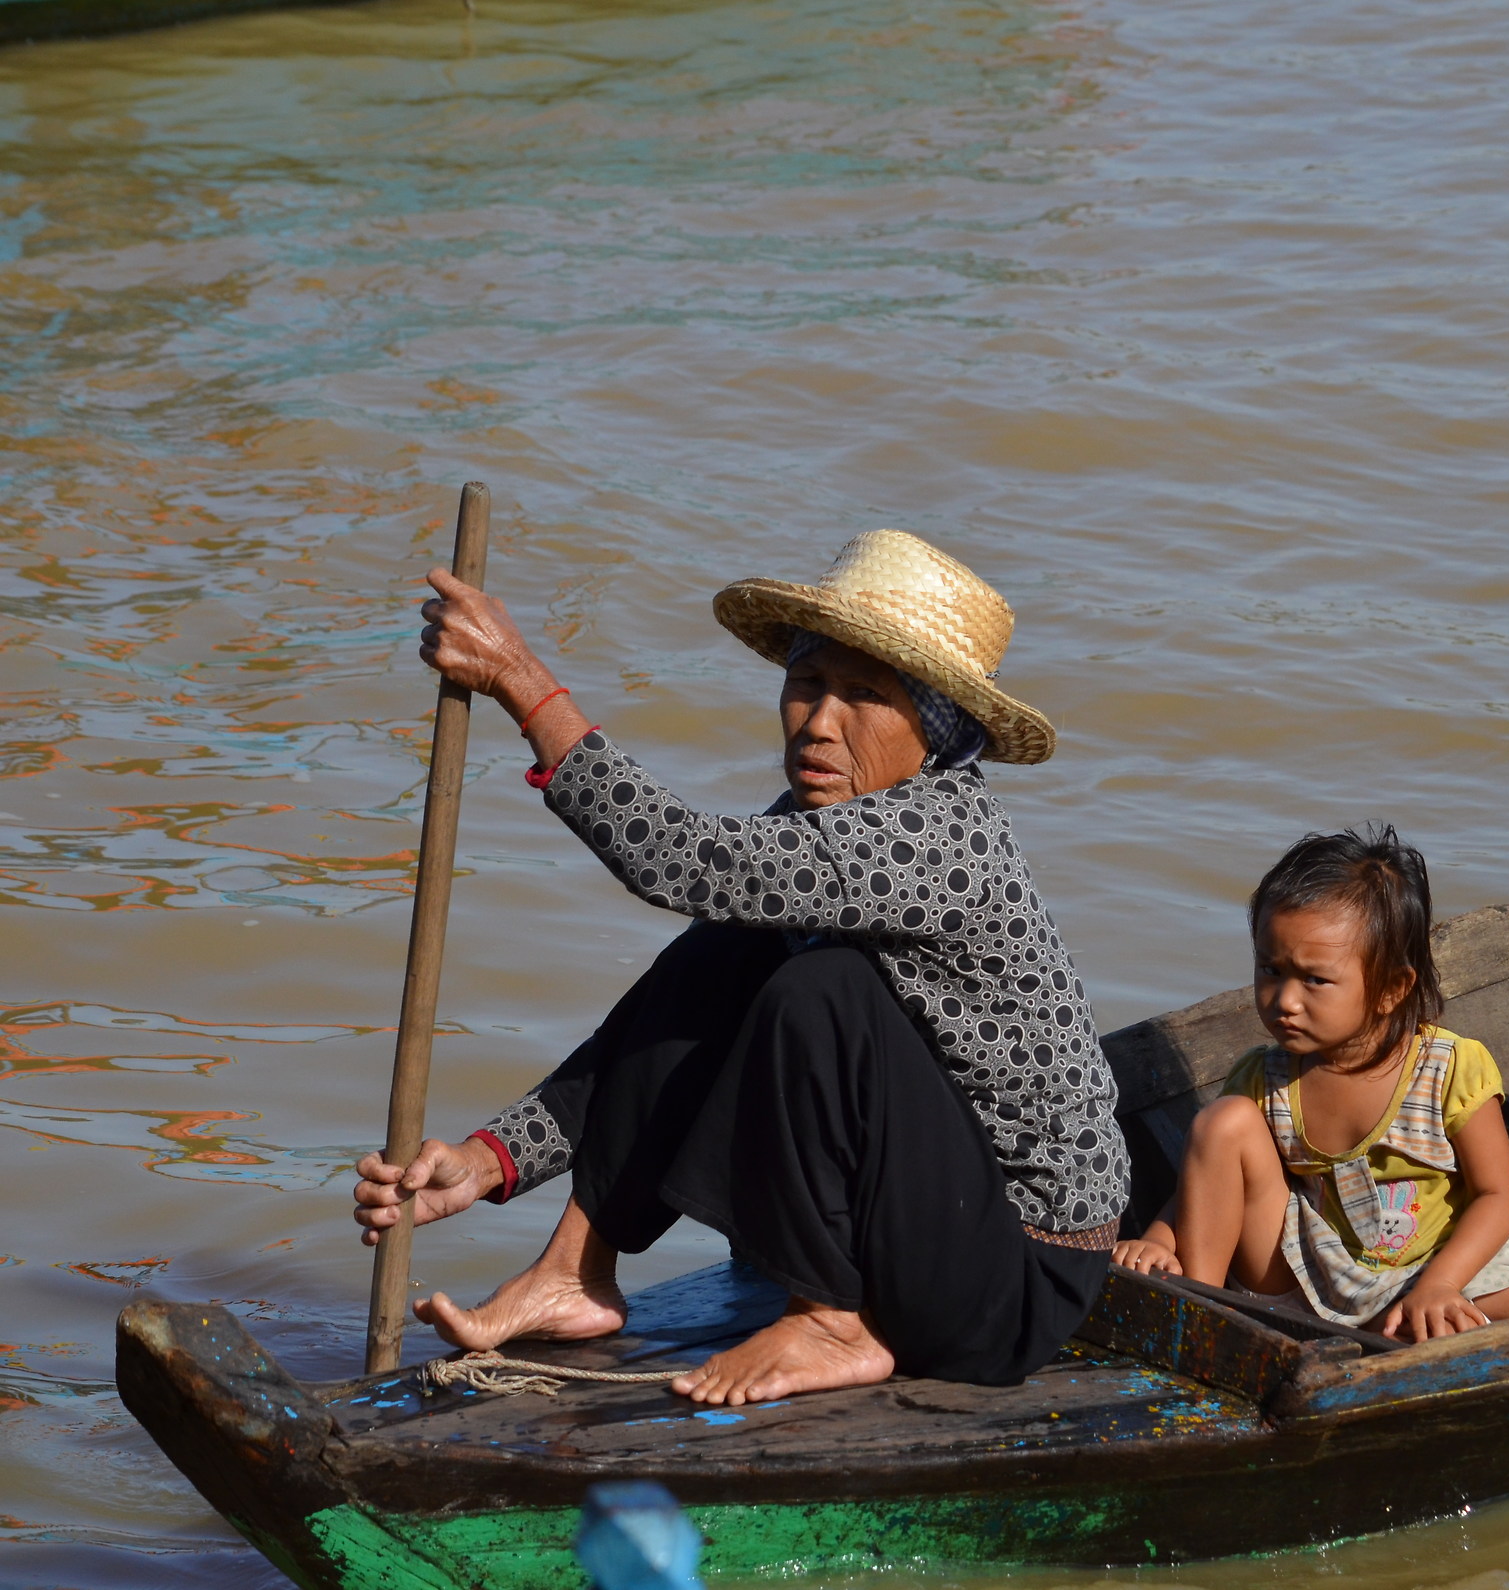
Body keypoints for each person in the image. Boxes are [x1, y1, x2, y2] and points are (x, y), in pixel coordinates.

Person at [351, 530, 1130, 1404]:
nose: (821, 723)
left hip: (1010, 1282)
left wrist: (521, 683)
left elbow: (681, 860)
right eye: (808, 683)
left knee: (819, 992)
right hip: (911, 1229)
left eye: (865, 697)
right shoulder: (824, 826)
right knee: (723, 951)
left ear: (937, 736)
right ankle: (574, 1269)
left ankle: (832, 1319)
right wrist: (496, 1158)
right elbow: (679, 996)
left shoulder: (937, 835)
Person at [1112, 828, 1509, 1340]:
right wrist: (1162, 1238)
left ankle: (1403, 1327)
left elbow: (1499, 1196)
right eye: (1270, 970)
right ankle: (1202, 1316)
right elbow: (1206, 1184)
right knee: (1222, 1122)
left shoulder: (1447, 1068)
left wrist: (1440, 1284)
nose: (1285, 1000)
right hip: (1300, 1279)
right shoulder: (1264, 1078)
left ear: (1390, 989)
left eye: (1314, 980)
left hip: (1420, 1279)